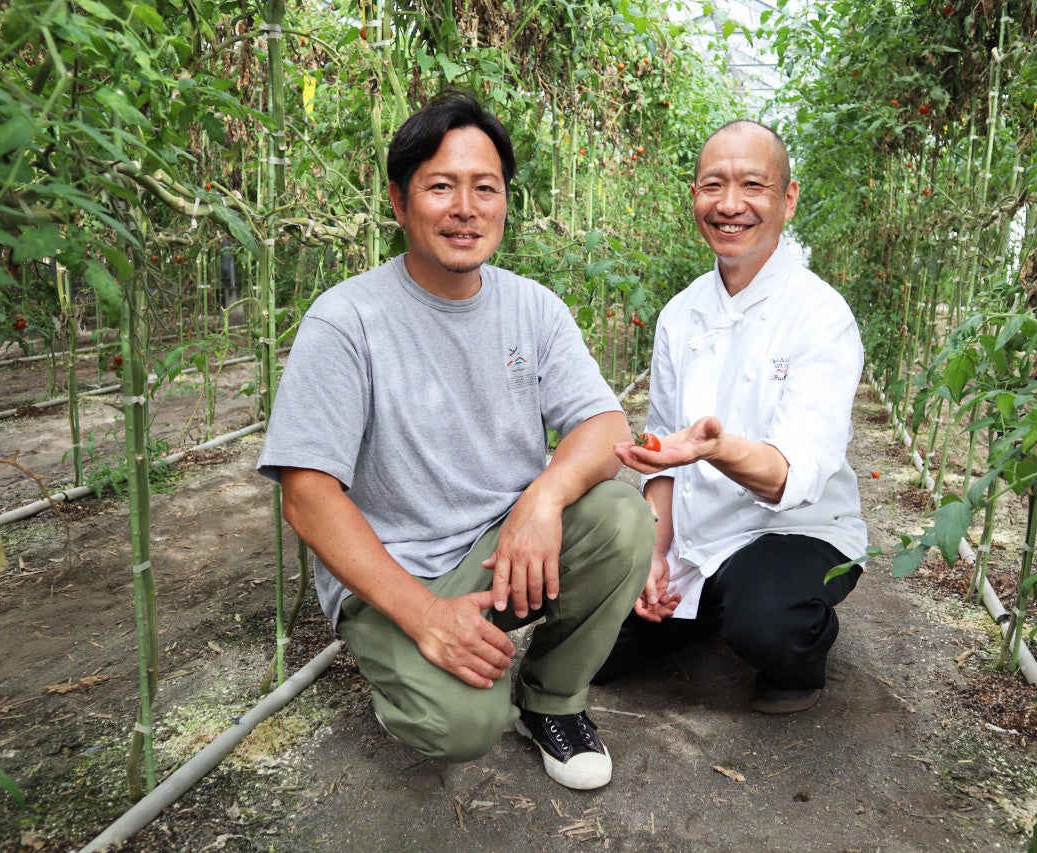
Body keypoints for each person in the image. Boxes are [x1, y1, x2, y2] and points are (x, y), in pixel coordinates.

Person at [256, 92, 651, 790]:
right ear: (399, 202)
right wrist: (426, 614)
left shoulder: (533, 307)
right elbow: (307, 496)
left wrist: (543, 498)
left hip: (502, 547)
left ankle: (551, 700)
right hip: (397, 572)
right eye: (440, 186)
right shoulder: (347, 320)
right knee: (463, 726)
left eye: (485, 187)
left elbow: (605, 427)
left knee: (621, 516)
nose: (465, 207)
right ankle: (417, 679)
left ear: (505, 201)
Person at [594, 120, 867, 713]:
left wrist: (715, 450)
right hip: (701, 531)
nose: (730, 205)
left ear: (787, 199)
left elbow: (790, 477)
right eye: (713, 186)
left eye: (753, 185)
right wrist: (654, 555)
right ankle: (700, 605)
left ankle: (797, 648)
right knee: (595, 649)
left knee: (769, 623)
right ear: (694, 195)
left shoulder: (820, 316)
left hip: (796, 529)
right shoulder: (680, 314)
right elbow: (662, 460)